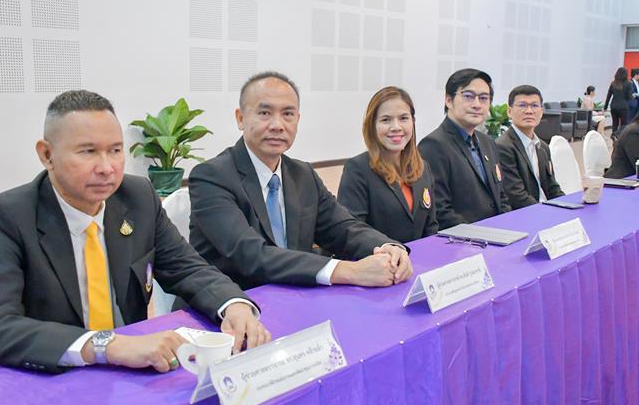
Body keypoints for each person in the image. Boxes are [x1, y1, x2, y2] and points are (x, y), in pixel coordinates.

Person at [0, 90, 270, 374]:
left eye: (115, 150)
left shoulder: (137, 197)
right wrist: (106, 346)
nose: (106, 168)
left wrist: (234, 305)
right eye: (88, 151)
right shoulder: (11, 216)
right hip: (54, 377)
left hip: (132, 374)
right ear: (46, 154)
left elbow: (188, 268)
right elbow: (4, 326)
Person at [189, 71, 412, 290]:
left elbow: (343, 227)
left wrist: (387, 247)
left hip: (296, 299)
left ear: (297, 119)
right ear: (240, 118)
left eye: (288, 114)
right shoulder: (211, 177)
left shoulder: (302, 174)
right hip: (232, 306)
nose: (277, 125)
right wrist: (350, 271)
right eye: (265, 113)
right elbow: (250, 254)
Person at [337, 87, 438, 243]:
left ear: (413, 122)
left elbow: (431, 228)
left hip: (421, 263)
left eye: (403, 118)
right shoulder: (357, 170)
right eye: (386, 120)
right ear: (372, 126)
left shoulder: (423, 168)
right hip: (380, 263)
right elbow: (351, 233)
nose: (396, 127)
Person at [417, 68, 511, 230]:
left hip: (497, 237)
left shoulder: (487, 142)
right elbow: (440, 211)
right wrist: (483, 236)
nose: (477, 104)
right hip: (462, 243)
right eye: (468, 96)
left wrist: (508, 227)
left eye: (483, 98)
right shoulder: (433, 145)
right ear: (449, 100)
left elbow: (500, 196)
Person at [496, 85, 564, 210]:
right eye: (522, 105)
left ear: (541, 111)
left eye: (534, 105)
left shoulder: (542, 146)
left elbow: (552, 187)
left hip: (544, 210)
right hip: (524, 215)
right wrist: (547, 213)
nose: (529, 111)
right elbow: (516, 195)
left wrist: (567, 207)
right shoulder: (503, 147)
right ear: (509, 111)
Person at [604, 67, 633, 139]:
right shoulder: (629, 83)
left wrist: (605, 107)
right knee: (624, 124)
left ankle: (614, 137)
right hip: (623, 107)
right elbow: (629, 97)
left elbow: (608, 96)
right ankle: (617, 136)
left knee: (615, 124)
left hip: (613, 106)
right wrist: (633, 96)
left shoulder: (613, 83)